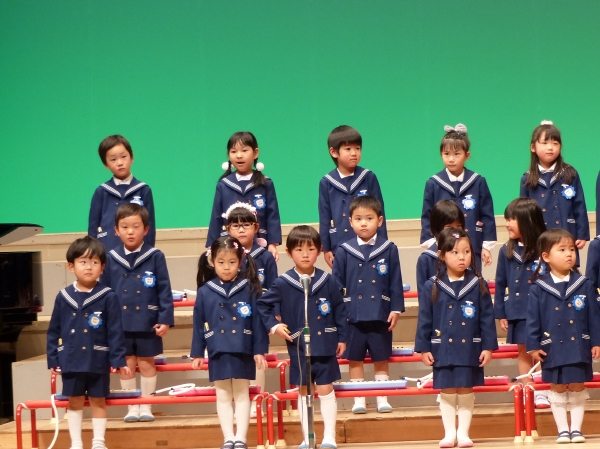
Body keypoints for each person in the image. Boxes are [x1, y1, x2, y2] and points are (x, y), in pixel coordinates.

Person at [258, 226, 346, 449]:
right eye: (299, 249)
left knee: (326, 389)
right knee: (304, 390)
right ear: (289, 253)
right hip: (299, 347)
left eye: (311, 249)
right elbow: (263, 306)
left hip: (325, 345)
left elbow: (340, 311)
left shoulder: (328, 280)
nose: (305, 254)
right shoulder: (283, 282)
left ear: (319, 250)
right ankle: (308, 438)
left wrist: (342, 338)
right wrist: (275, 326)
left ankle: (329, 437)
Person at [415, 228, 497, 448]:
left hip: (470, 348)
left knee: (466, 388)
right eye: (455, 252)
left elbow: (487, 318)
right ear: (441, 255)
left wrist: (488, 347)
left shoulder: (477, 283)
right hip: (442, 349)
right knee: (448, 389)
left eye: (466, 252)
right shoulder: (432, 285)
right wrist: (424, 348)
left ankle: (464, 433)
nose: (462, 257)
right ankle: (449, 433)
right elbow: (425, 319)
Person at [47, 236, 130, 449]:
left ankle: (98, 442)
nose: (89, 267)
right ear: (71, 266)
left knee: (98, 400)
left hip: (97, 359)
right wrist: (53, 358)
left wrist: (118, 360)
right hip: (71, 359)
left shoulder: (108, 296)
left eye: (94, 262)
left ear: (102, 267)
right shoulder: (63, 296)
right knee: (74, 401)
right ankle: (76, 443)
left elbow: (115, 331)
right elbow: (54, 331)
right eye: (83, 262)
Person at [191, 236, 269, 449]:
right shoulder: (205, 291)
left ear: (241, 261)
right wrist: (197, 352)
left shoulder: (250, 287)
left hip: (243, 346)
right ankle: (228, 438)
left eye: (232, 262)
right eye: (221, 262)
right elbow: (199, 324)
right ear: (212, 261)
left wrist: (259, 350)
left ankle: (241, 438)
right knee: (223, 394)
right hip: (217, 347)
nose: (227, 267)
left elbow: (258, 322)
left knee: (242, 393)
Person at [101, 204, 174, 422]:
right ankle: (132, 407)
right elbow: (104, 293)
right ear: (116, 230)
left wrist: (165, 319)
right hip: (120, 323)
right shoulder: (110, 257)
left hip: (147, 321)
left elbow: (164, 290)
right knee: (126, 365)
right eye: (125, 227)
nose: (130, 232)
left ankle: (147, 405)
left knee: (146, 363)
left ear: (146, 229)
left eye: (136, 226)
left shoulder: (155, 256)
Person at [527, 229, 600, 443]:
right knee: (557, 386)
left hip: (579, 345)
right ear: (546, 256)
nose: (569, 254)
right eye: (562, 250)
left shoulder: (584, 284)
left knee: (577, 384)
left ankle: (576, 429)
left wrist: (596, 342)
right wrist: (533, 345)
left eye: (572, 249)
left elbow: (594, 317)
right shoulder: (539, 288)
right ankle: (562, 430)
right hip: (552, 347)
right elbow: (533, 320)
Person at [332, 196, 404, 413]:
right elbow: (336, 286)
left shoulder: (389, 248)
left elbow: (395, 281)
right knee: (355, 358)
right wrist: (339, 315)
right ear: (350, 221)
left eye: (369, 218)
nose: (364, 223)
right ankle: (359, 399)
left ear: (380, 221)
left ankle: (382, 398)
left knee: (381, 357)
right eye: (358, 219)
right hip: (352, 315)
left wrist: (395, 308)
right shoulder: (344, 250)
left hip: (380, 314)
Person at [494, 198, 549, 407]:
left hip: (542, 311)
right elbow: (500, 283)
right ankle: (529, 389)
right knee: (524, 351)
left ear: (528, 220)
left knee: (542, 350)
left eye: (512, 219)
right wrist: (501, 313)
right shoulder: (506, 251)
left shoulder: (545, 247)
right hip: (517, 310)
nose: (507, 224)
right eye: (507, 219)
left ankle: (543, 390)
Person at [224, 203, 277, 417]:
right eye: (236, 226)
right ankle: (238, 404)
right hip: (231, 318)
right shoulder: (224, 254)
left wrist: (274, 313)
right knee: (234, 359)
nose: (241, 230)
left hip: (258, 316)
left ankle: (257, 403)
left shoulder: (265, 256)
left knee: (258, 356)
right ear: (228, 229)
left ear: (256, 227)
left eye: (246, 225)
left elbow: (274, 288)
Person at [420, 124, 496, 270]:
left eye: (456, 154)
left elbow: (487, 215)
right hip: (443, 248)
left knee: (473, 280)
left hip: (472, 246)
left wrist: (486, 246)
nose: (451, 159)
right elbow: (427, 216)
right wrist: (431, 244)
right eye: (446, 154)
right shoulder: (433, 183)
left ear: (467, 155)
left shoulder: (478, 182)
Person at [318, 125, 387, 268]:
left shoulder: (368, 177)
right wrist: (326, 248)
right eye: (348, 149)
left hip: (369, 242)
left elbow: (380, 213)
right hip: (339, 244)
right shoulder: (327, 182)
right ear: (334, 152)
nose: (354, 153)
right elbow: (324, 217)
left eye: (358, 148)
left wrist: (382, 243)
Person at [519, 120, 589, 260]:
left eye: (555, 143)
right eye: (544, 143)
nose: (550, 148)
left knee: (566, 265)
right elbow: (523, 212)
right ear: (533, 147)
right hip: (539, 236)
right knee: (542, 267)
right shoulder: (527, 178)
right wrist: (524, 237)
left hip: (566, 232)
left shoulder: (569, 173)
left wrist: (582, 234)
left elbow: (579, 205)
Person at [207, 131, 281, 260]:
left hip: (259, 243)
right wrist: (211, 246)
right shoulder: (224, 185)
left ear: (255, 153)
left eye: (244, 150)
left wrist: (272, 244)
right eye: (233, 151)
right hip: (229, 245)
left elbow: (272, 215)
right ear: (228, 155)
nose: (239, 155)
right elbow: (216, 217)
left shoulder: (265, 183)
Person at [88, 135, 155, 249]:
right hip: (107, 250)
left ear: (132, 157)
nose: (119, 162)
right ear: (106, 164)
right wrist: (95, 253)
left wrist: (148, 253)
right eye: (113, 159)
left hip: (137, 251)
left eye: (123, 157)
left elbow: (150, 226)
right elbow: (93, 227)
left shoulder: (143, 190)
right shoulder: (101, 191)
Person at [416, 200, 465, 290]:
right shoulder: (426, 259)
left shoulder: (465, 254)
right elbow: (423, 294)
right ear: (436, 228)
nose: (455, 232)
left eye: (459, 226)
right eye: (449, 227)